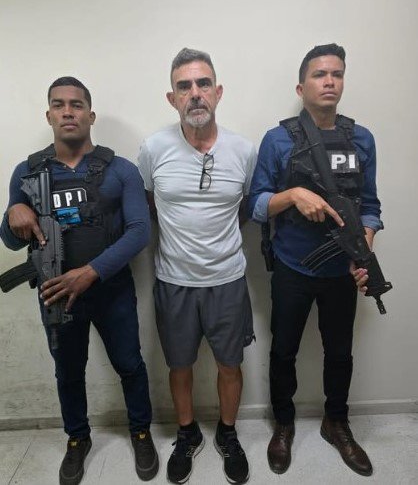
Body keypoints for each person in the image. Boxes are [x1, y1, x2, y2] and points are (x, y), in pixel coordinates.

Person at [0, 77, 159, 484]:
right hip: (55, 293)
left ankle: (141, 432)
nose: (68, 111)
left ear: (91, 115)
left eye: (76, 104)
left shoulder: (120, 169)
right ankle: (77, 438)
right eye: (59, 105)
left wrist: (90, 273)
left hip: (111, 290)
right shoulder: (28, 172)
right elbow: (11, 240)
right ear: (48, 115)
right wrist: (12, 212)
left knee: (129, 364)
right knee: (68, 372)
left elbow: (139, 231)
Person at [249, 44, 383, 477]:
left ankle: (336, 422)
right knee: (283, 350)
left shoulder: (361, 139)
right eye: (320, 74)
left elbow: (370, 206)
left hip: (341, 270)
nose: (329, 81)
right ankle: (284, 424)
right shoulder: (277, 139)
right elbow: (256, 205)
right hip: (292, 265)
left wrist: (364, 243)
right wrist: (292, 195)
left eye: (337, 74)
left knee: (340, 352)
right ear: (300, 87)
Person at [138, 48, 257, 485]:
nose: (195, 93)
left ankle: (227, 433)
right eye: (184, 86)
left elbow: (245, 208)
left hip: (227, 280)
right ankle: (187, 433)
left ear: (218, 92)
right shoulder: (153, 148)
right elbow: (149, 205)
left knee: (230, 365)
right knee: (180, 365)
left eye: (203, 83)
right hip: (174, 281)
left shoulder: (243, 150)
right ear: (172, 98)